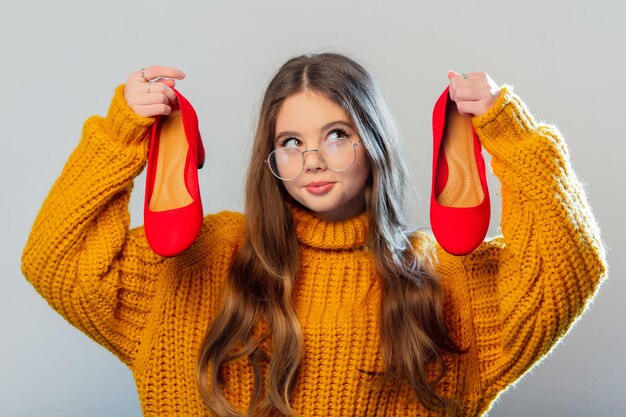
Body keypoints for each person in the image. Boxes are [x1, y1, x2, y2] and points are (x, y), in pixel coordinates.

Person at [21, 52, 607, 417]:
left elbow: (569, 267)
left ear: (374, 144)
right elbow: (55, 259)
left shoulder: (438, 273)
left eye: (337, 135)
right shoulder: (207, 255)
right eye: (291, 143)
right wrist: (123, 135)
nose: (313, 160)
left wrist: (509, 131)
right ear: (270, 157)